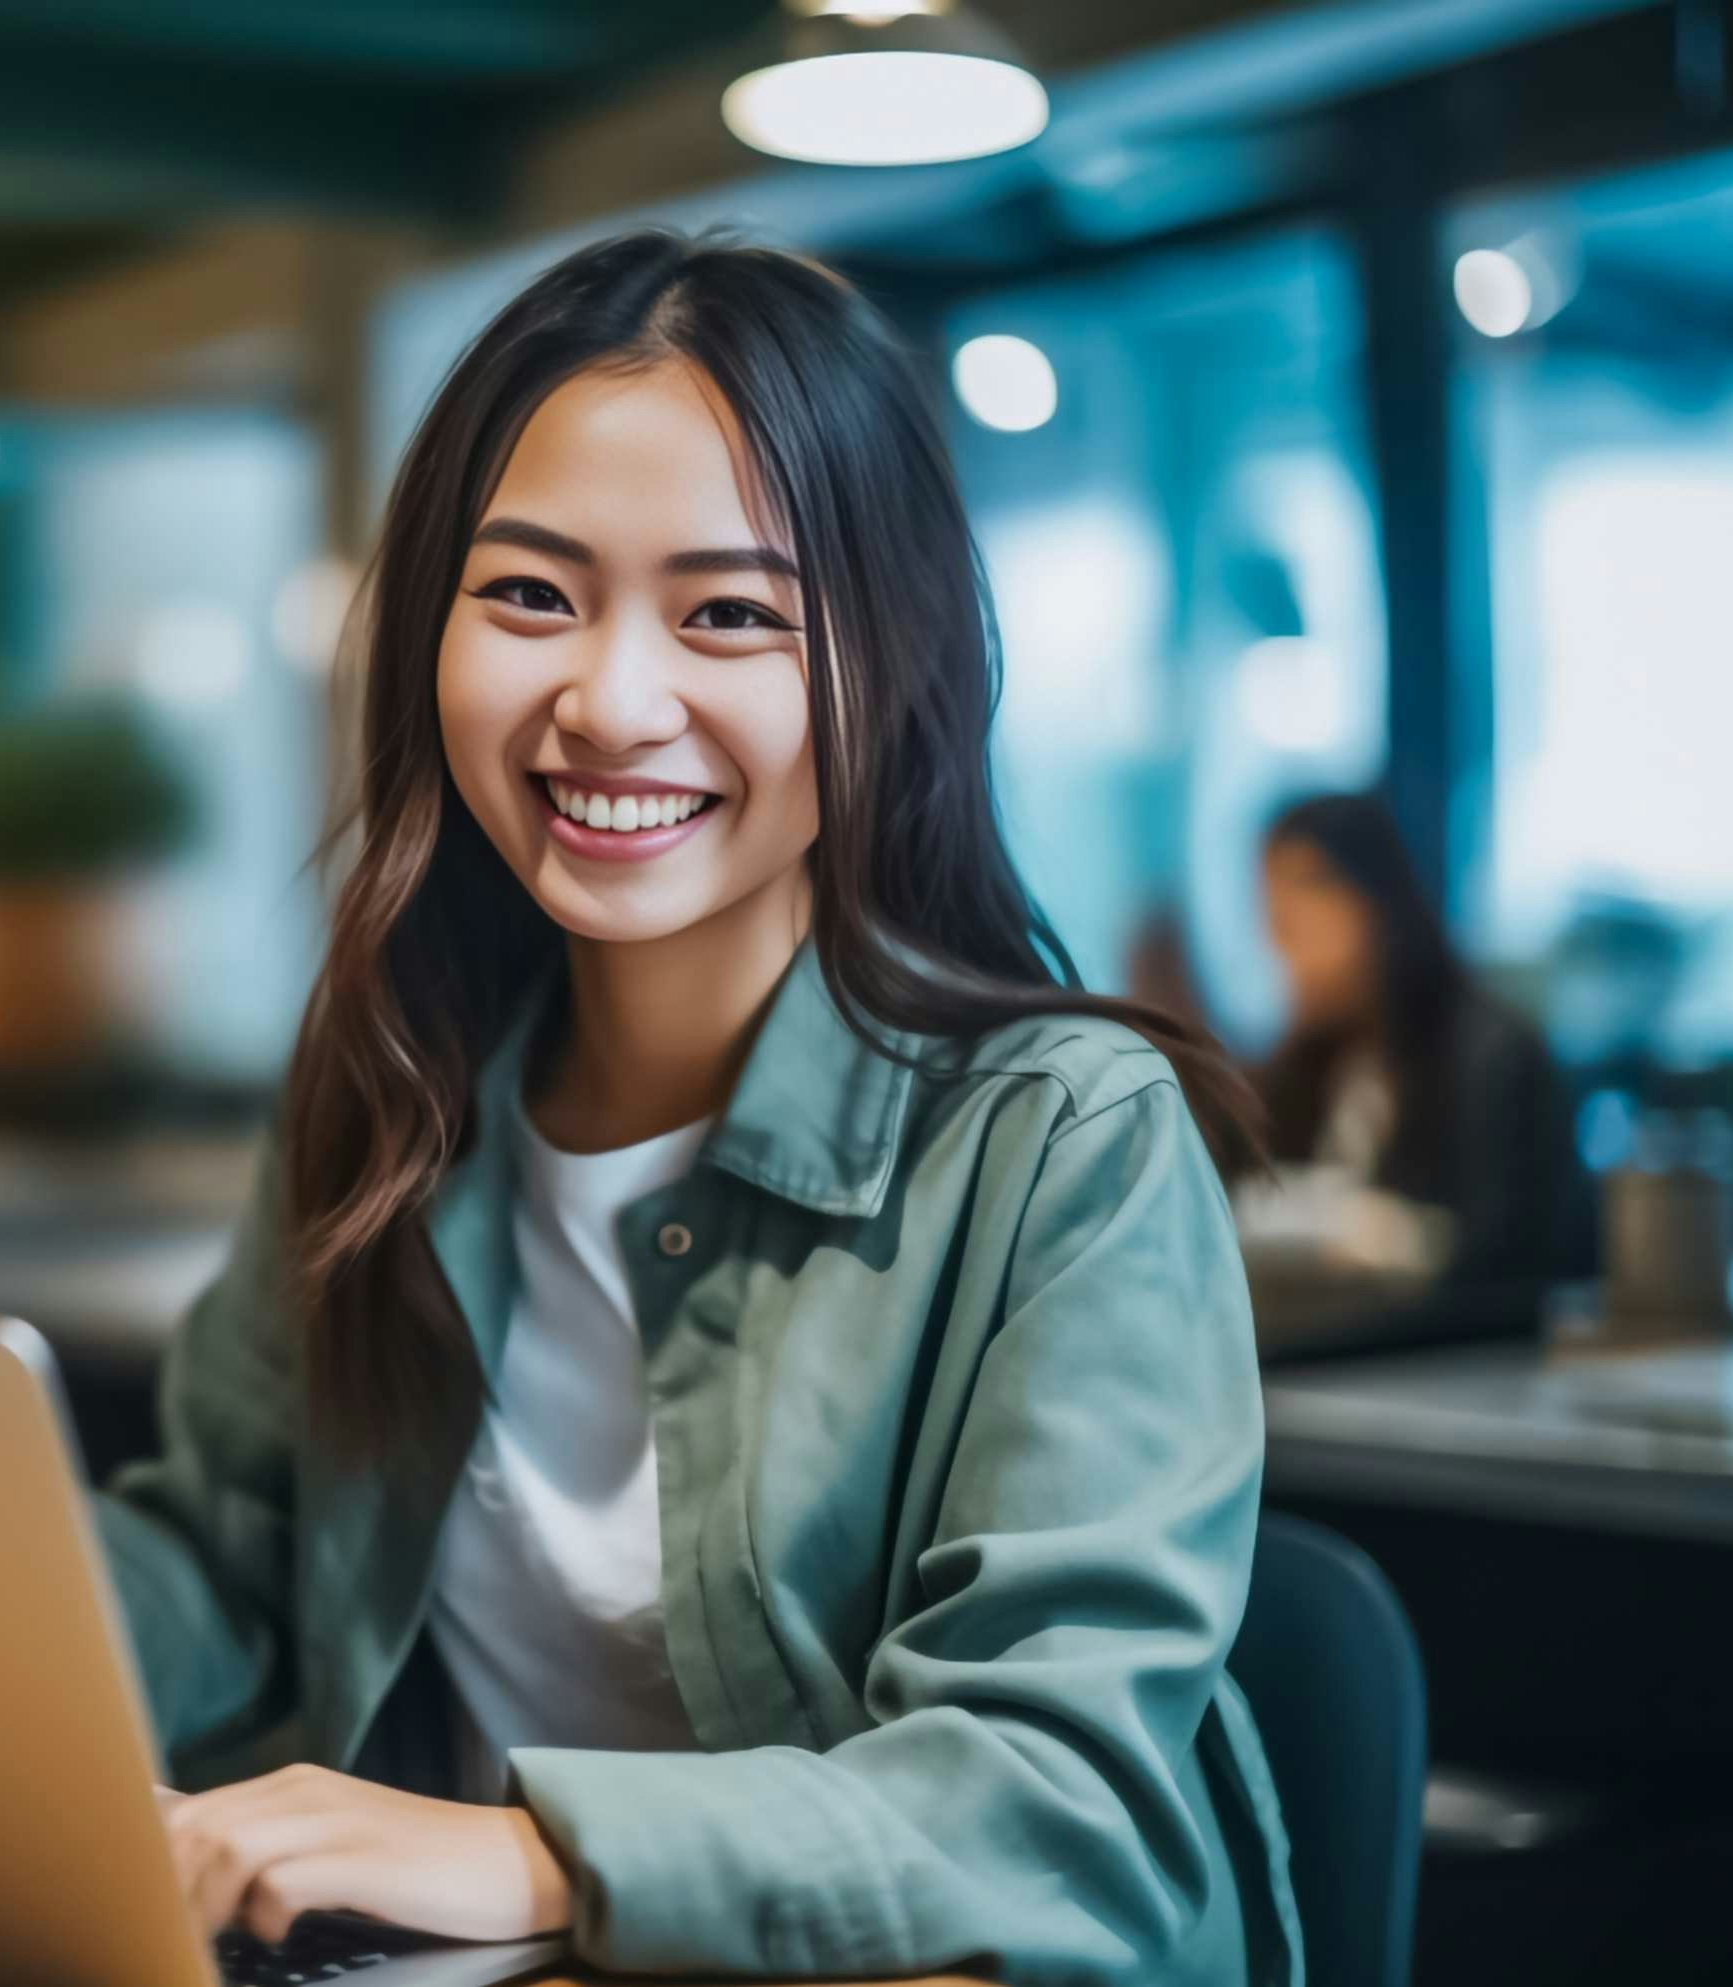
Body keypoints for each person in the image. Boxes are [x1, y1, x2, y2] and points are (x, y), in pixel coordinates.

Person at [98, 230, 1297, 1984]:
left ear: (885, 671)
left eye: (728, 613)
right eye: (528, 595)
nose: (609, 702)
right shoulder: (390, 1085)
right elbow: (223, 1551)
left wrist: (520, 1854)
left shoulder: (1064, 1143)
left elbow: (1054, 1799)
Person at [1250, 789, 1591, 1288]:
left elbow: (1504, 1257)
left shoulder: (1491, 1056)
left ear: (1376, 900)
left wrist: (1375, 1232)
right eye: (1275, 916)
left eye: (1298, 912)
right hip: (1339, 1351)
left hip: (1453, 1355)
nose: (1283, 945)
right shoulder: (1311, 1062)